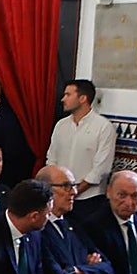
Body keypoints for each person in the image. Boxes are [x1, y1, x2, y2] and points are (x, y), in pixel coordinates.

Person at [37, 165, 124, 274]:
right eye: (66, 186)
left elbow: (107, 269)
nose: (74, 192)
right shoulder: (38, 230)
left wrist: (78, 270)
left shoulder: (75, 226)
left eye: (74, 185)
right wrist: (89, 271)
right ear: (45, 190)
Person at [45, 79, 116, 221]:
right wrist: (58, 190)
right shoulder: (61, 125)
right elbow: (51, 159)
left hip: (88, 199)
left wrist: (73, 191)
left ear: (83, 98)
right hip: (59, 197)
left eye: (68, 95)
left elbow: (101, 169)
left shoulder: (103, 127)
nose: (63, 99)